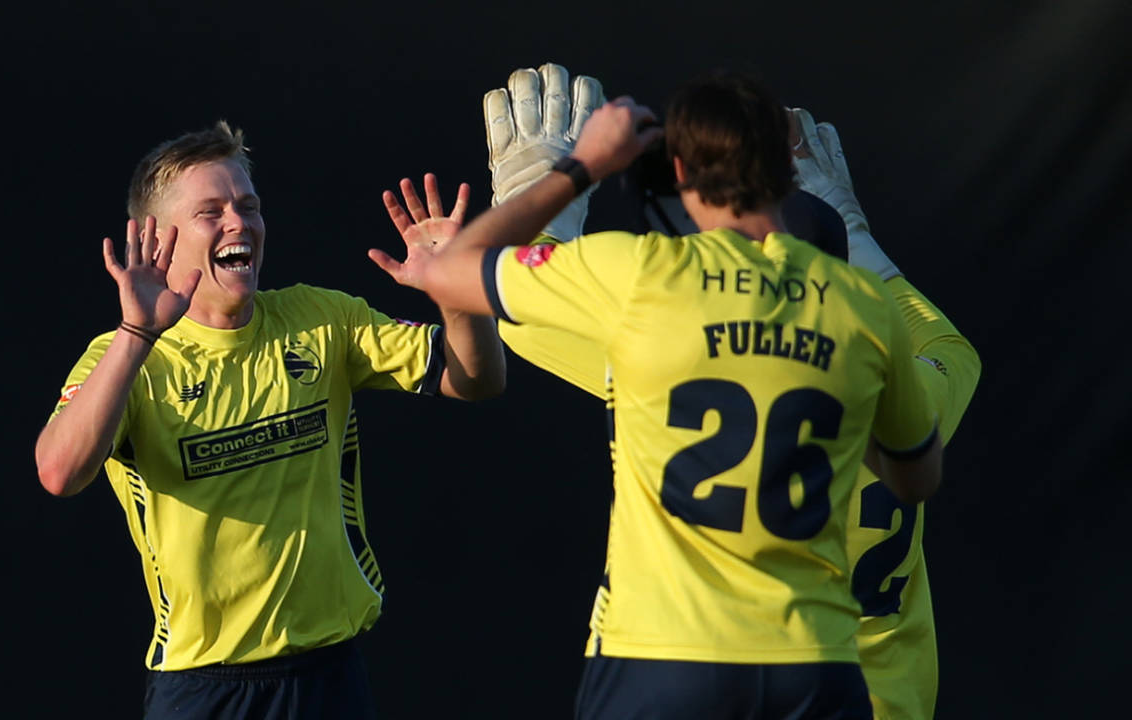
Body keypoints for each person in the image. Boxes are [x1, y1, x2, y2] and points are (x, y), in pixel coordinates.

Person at [389, 68, 944, 718]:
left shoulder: (643, 279)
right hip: (811, 658)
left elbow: (450, 269)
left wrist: (576, 169)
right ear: (787, 173)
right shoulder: (862, 309)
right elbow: (916, 478)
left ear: (679, 172)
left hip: (665, 654)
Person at [34, 121, 505, 719]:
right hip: (205, 688)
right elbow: (59, 472)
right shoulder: (125, 357)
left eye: (248, 206)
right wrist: (136, 334)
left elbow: (479, 379)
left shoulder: (322, 318)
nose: (239, 223)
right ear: (160, 239)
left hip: (329, 675)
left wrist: (459, 289)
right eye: (212, 211)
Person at [788, 108, 981, 719]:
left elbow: (527, 325)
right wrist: (853, 232)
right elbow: (950, 351)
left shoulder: (683, 370)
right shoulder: (896, 384)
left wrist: (542, 231)